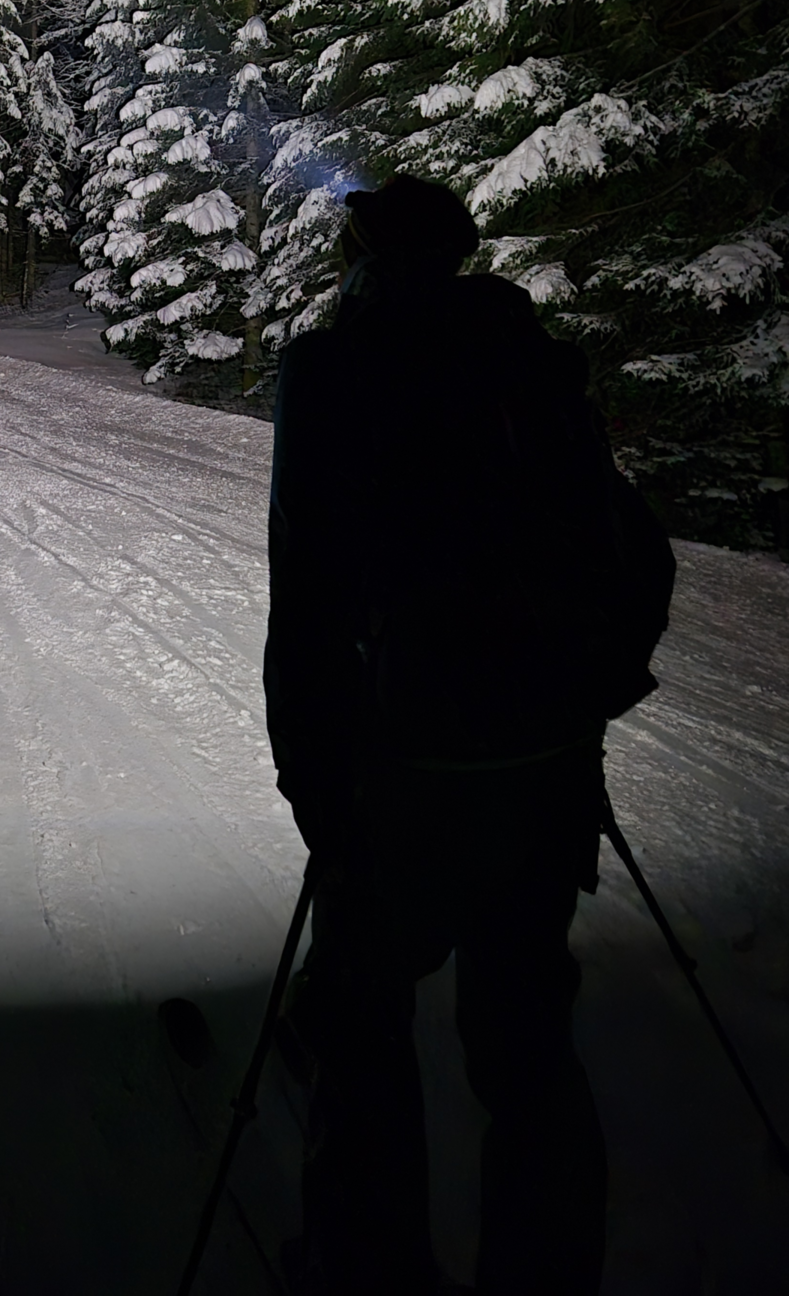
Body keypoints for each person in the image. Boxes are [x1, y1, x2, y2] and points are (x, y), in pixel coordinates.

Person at [264, 174, 673, 1296]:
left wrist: (315, 784)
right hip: (544, 769)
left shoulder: (334, 370)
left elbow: (308, 597)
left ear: (365, 257)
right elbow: (635, 554)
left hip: (405, 771)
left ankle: (363, 1273)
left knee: (364, 1020)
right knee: (528, 1039)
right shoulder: (529, 365)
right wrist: (582, 704)